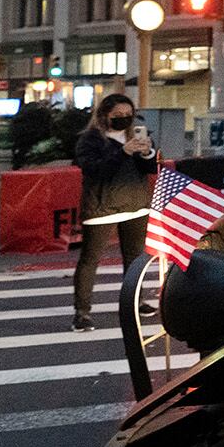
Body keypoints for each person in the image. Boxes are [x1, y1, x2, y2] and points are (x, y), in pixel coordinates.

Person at [72, 93, 157, 331]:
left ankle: (136, 302)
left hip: (136, 205)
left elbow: (149, 169)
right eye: (117, 115)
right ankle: (82, 312)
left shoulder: (137, 134)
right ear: (104, 116)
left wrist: (148, 152)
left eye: (128, 115)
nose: (124, 119)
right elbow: (96, 170)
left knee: (135, 259)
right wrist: (123, 152)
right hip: (102, 207)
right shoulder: (90, 140)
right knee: (90, 260)